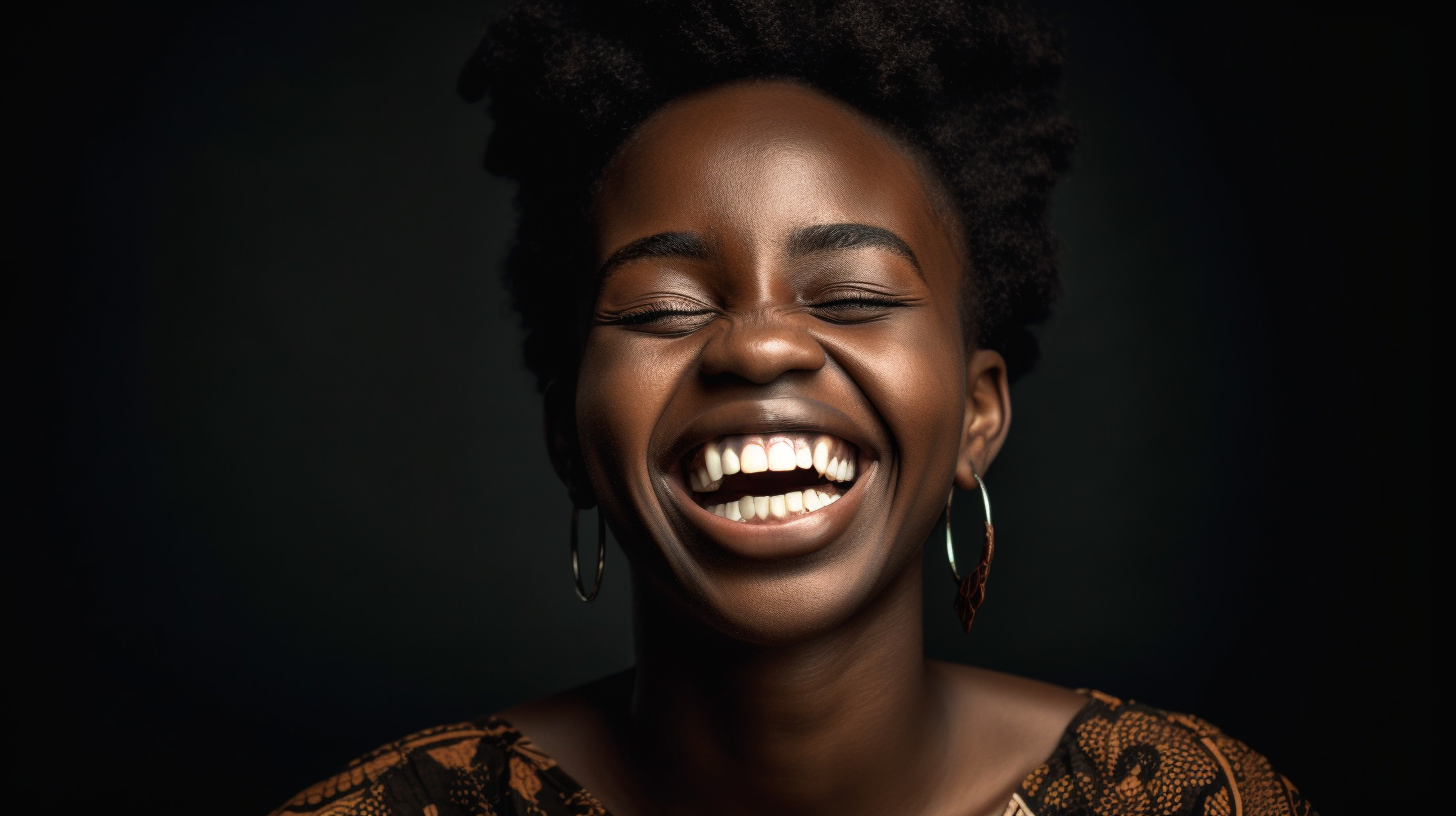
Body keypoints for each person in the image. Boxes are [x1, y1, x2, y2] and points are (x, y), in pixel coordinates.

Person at [270, 1, 1317, 814]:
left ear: (977, 418)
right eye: (661, 308)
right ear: (567, 440)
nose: (760, 344)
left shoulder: (1186, 797)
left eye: (854, 298)